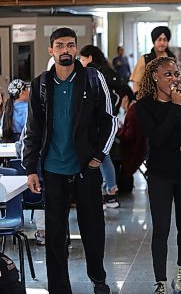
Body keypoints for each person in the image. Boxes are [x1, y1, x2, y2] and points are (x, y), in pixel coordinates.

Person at [22, 27, 117, 294]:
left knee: (93, 229)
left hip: (86, 168)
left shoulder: (92, 78)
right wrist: (31, 168)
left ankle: (98, 279)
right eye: (60, 45)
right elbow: (32, 129)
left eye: (71, 45)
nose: (66, 50)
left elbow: (110, 121)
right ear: (51, 50)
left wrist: (99, 156)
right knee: (55, 234)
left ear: (76, 49)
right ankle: (59, 288)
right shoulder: (41, 84)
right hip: (53, 170)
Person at [135, 56, 181, 294]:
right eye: (168, 74)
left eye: (177, 74)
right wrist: (175, 108)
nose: (174, 79)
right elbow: (156, 139)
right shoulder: (144, 106)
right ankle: (160, 281)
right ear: (155, 77)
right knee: (161, 229)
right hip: (160, 174)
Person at [80, 44, 124, 209]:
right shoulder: (109, 72)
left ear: (90, 58)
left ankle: (111, 192)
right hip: (108, 119)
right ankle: (109, 192)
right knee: (104, 157)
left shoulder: (97, 75)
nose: (81, 62)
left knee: (103, 156)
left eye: (82, 59)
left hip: (101, 123)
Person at [115, 85, 147, 193]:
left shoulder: (132, 111)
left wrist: (118, 131)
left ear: (125, 98)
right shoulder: (135, 109)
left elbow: (129, 136)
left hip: (133, 150)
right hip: (139, 148)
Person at [130, 26, 176, 94]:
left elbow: (178, 80)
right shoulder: (145, 59)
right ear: (154, 41)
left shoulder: (172, 59)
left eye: (165, 40)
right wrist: (139, 99)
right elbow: (136, 83)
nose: (162, 43)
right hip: (149, 99)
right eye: (159, 39)